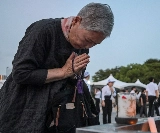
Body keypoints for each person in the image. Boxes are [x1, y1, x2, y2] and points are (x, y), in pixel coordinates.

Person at [0, 3, 114, 132]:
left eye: (95, 43)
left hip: (58, 117)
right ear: (76, 20)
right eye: (87, 40)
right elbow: (21, 73)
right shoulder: (43, 30)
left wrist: (74, 74)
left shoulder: (83, 47)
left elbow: (73, 80)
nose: (88, 47)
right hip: (25, 113)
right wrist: (63, 72)